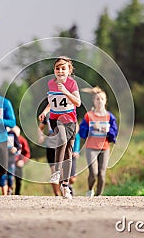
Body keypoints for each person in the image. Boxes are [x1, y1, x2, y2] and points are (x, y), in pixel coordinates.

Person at [38, 56, 81, 199]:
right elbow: (52, 102)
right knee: (61, 138)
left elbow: (78, 103)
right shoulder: (51, 84)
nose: (60, 71)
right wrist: (45, 111)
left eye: (63, 68)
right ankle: (56, 173)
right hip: (56, 120)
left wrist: (66, 92)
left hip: (70, 121)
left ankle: (65, 185)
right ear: (54, 70)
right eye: (57, 68)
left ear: (69, 71)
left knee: (68, 151)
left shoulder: (72, 84)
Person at [79, 86, 118, 197]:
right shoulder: (89, 116)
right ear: (93, 101)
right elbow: (82, 132)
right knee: (94, 173)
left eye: (102, 99)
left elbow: (114, 132)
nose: (100, 101)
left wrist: (108, 131)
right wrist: (91, 128)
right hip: (91, 148)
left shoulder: (110, 117)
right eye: (97, 99)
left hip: (104, 148)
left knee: (102, 174)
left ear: (106, 101)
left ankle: (98, 195)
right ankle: (90, 190)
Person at [38, 113, 60, 196]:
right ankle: (57, 194)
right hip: (50, 144)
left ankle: (65, 188)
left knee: (62, 169)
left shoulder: (64, 109)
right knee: (54, 170)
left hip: (62, 142)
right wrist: (40, 136)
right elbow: (40, 127)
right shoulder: (47, 114)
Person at [14, 126, 31, 195]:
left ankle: (17, 193)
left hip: (18, 162)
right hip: (9, 162)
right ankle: (9, 192)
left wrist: (23, 161)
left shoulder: (22, 140)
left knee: (19, 180)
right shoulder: (8, 139)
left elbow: (27, 153)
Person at [5, 126, 21, 195]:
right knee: (2, 177)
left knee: (10, 176)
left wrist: (15, 148)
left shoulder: (12, 134)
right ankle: (5, 192)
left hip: (11, 159)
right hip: (1, 159)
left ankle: (9, 189)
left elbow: (18, 146)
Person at [68, 125, 81, 196]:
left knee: (72, 178)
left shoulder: (76, 136)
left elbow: (77, 141)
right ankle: (65, 188)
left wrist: (76, 151)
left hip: (72, 156)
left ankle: (70, 186)